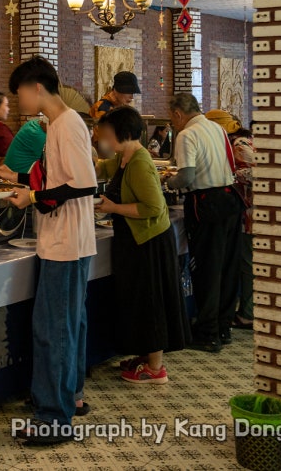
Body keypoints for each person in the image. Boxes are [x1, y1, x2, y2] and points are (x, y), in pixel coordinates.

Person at [0, 56, 96, 446]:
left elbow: (83, 185)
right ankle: (72, 397)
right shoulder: (58, 125)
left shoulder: (66, 125)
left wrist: (31, 195)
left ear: (37, 88)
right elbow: (59, 178)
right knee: (70, 324)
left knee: (54, 329)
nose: (17, 99)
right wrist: (19, 177)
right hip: (67, 240)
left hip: (66, 243)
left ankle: (54, 416)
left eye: (19, 91)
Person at [94, 106, 191, 384]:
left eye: (107, 133)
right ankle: (147, 356)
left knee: (150, 301)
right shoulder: (123, 158)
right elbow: (101, 168)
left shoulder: (139, 161)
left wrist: (114, 207)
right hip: (133, 241)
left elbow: (152, 206)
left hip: (149, 242)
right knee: (137, 300)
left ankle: (156, 368)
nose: (104, 138)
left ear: (122, 132)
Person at [162, 94, 242, 353]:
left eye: (172, 120)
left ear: (177, 114)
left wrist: (166, 181)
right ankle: (222, 326)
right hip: (230, 200)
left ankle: (207, 333)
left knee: (207, 268)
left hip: (206, 203)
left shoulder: (187, 134)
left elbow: (186, 177)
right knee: (227, 268)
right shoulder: (216, 127)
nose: (173, 125)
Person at [205, 110, 255, 329]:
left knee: (247, 265)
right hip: (249, 212)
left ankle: (247, 314)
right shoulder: (244, 141)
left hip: (251, 213)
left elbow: (257, 173)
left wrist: (229, 175)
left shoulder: (239, 145)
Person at [0, 116, 47, 237]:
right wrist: (33, 196)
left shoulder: (33, 124)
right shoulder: (40, 136)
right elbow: (48, 177)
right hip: (22, 184)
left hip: (18, 177)